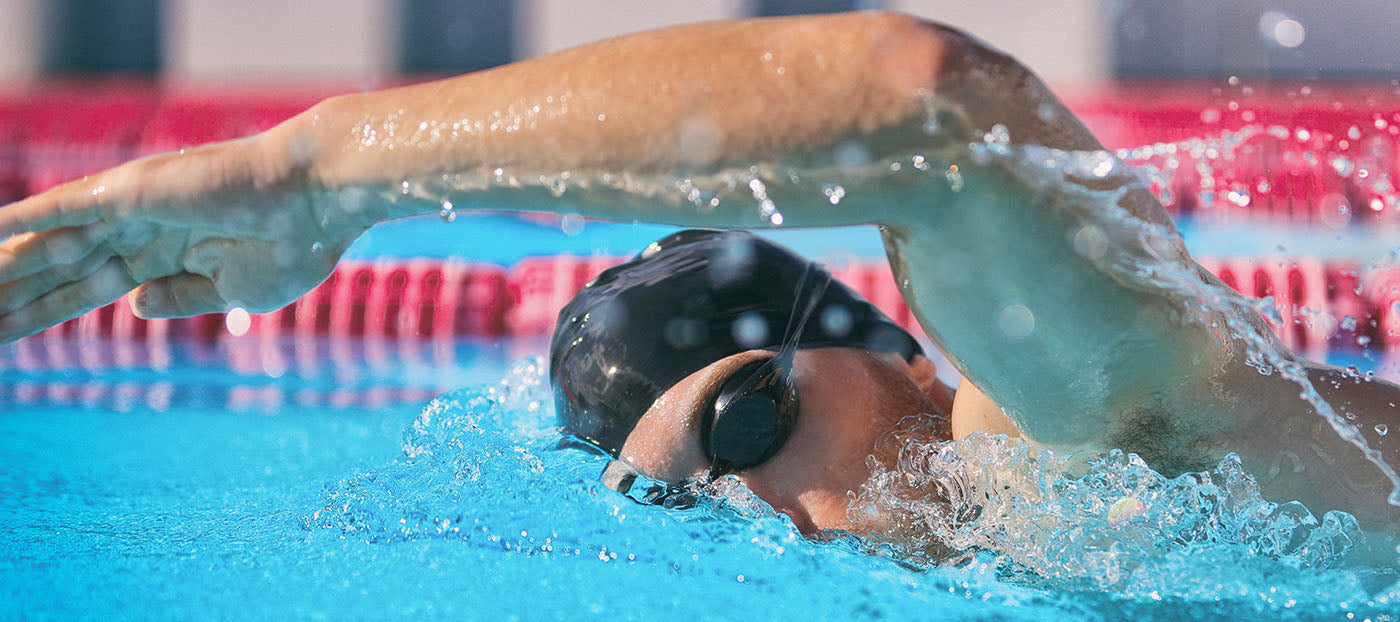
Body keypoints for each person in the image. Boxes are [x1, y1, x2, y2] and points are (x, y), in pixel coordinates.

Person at [0, 11, 1396, 559]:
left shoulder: (1067, 447)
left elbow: (934, 112)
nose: (769, 509)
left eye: (747, 422)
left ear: (907, 353)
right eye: (695, 496)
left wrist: (326, 172)